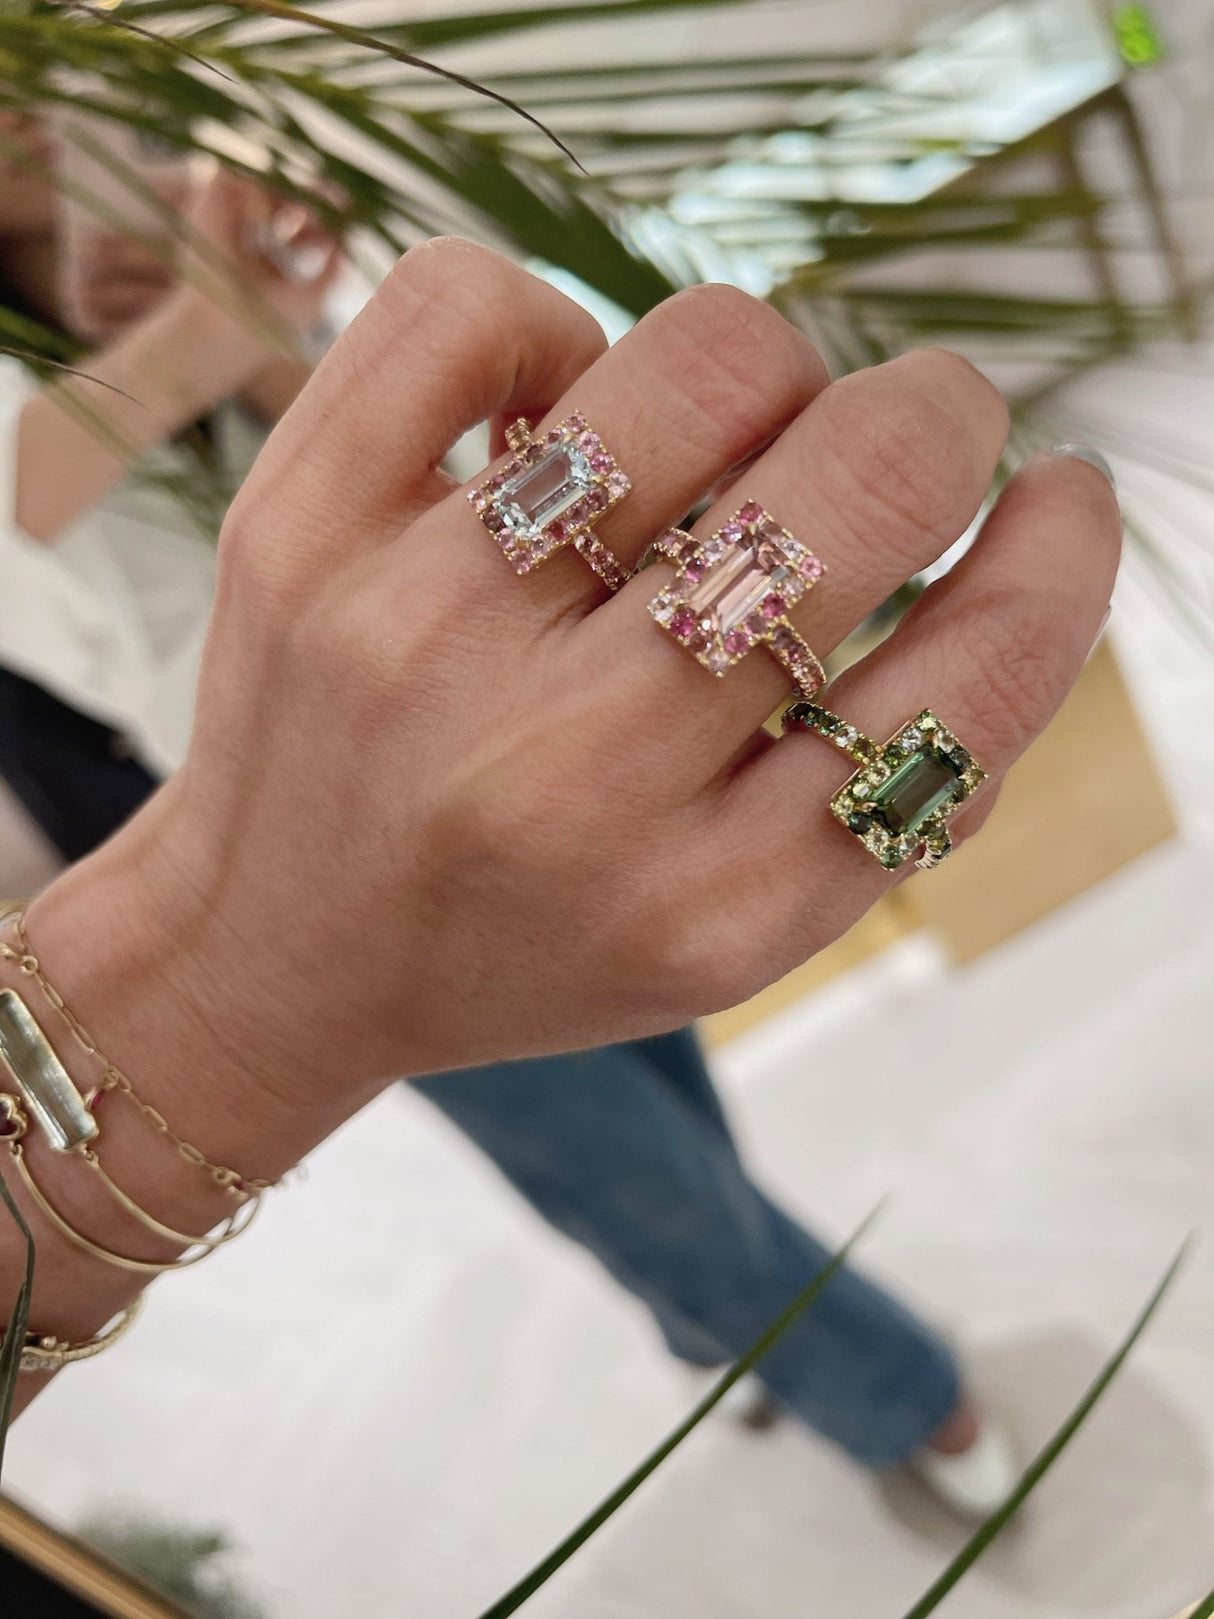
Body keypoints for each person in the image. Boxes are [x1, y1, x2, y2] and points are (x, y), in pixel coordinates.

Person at [0, 226, 1119, 1522]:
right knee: (621, 1166)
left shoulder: (125, 253)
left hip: (533, 711)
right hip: (299, 816)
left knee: (666, 1077)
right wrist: (204, 327)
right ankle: (899, 1394)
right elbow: (25, 493)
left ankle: (715, 1324)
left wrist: (260, 349)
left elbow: (370, 491)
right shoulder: (151, 304)